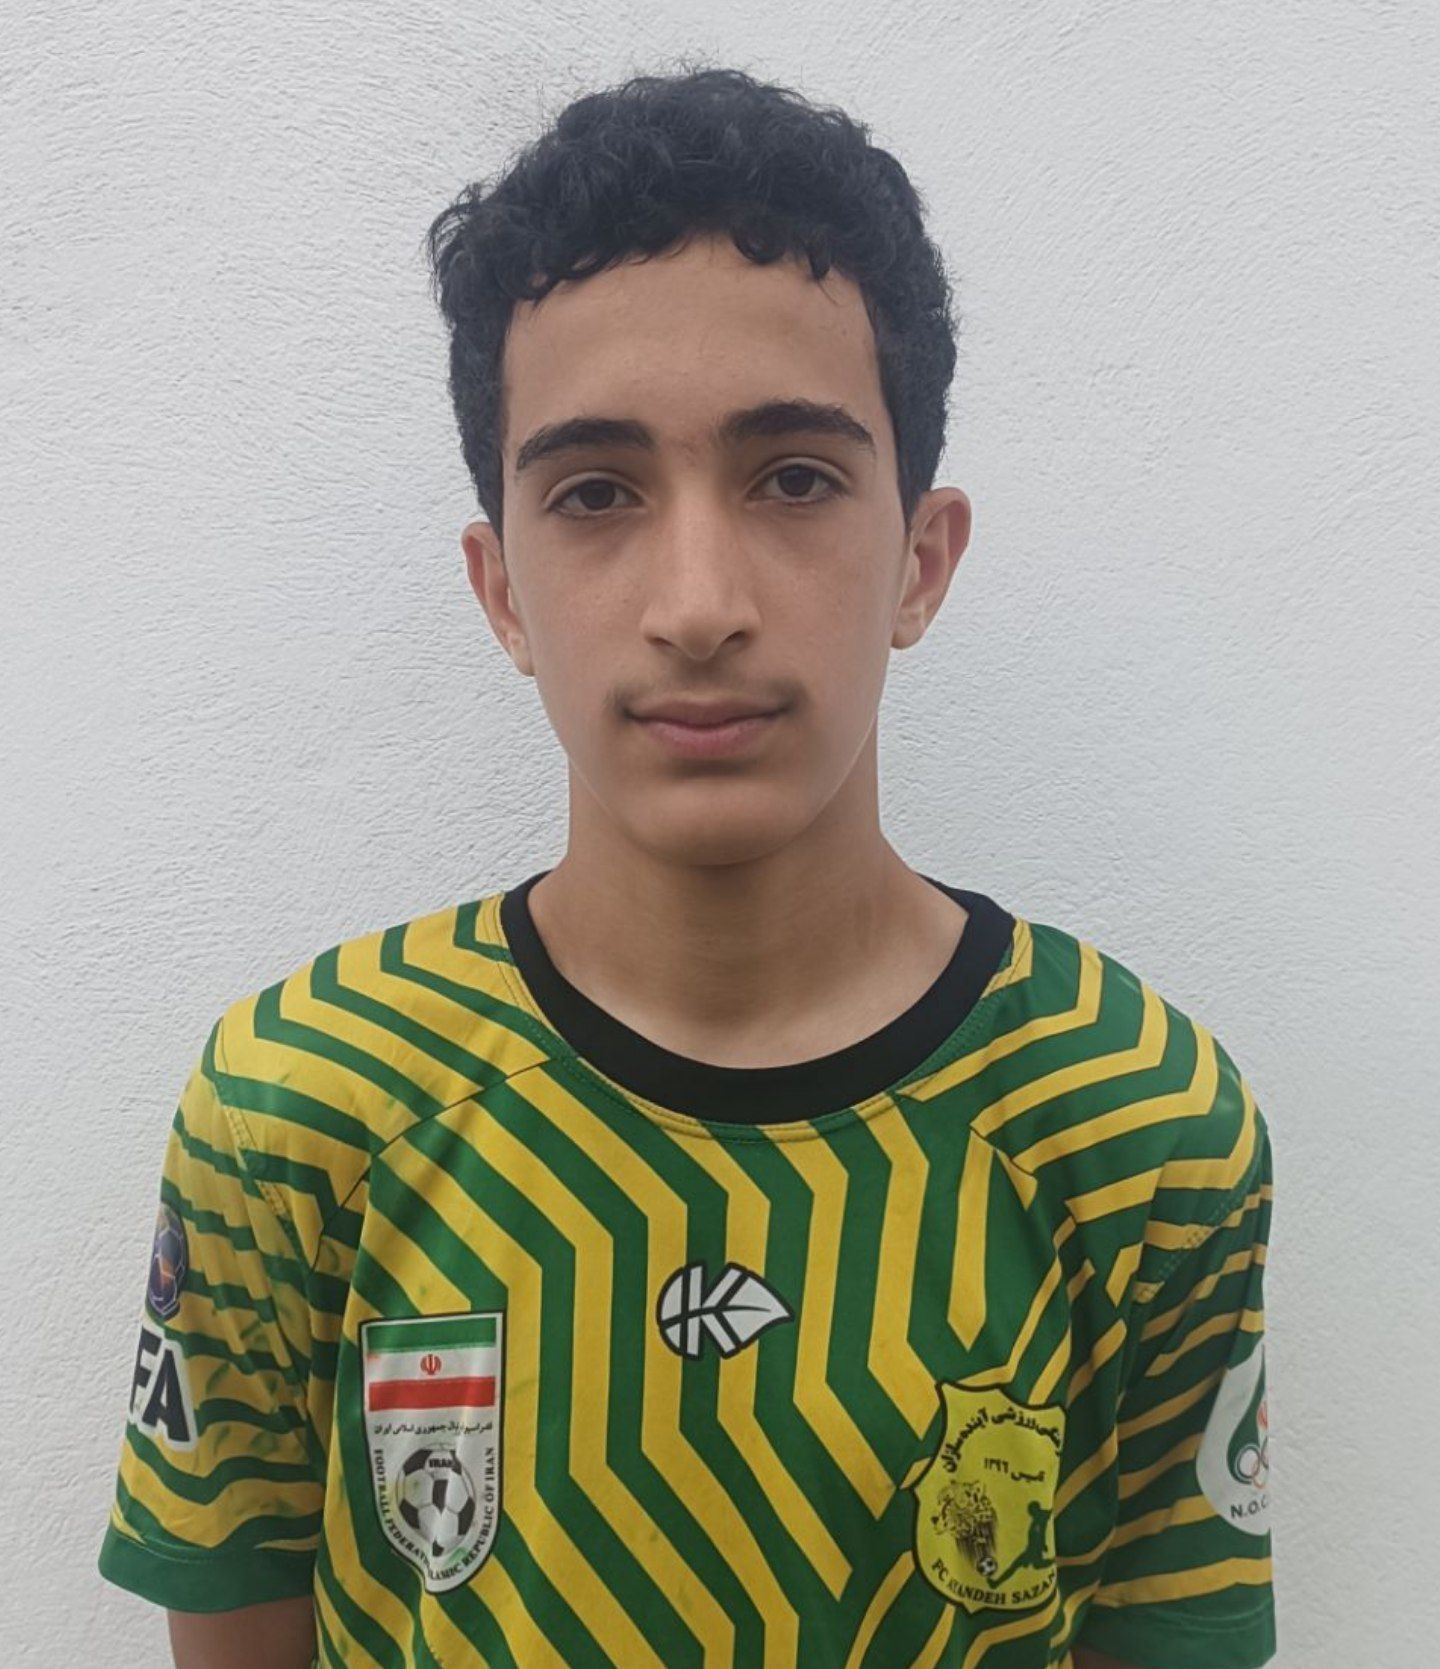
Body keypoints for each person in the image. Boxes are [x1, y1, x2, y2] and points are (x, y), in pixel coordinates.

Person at [96, 60, 1276, 1669]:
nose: (700, 600)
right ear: (502, 591)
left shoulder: (1142, 1121)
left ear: (920, 559)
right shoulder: (298, 1108)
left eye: (795, 477)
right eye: (596, 492)